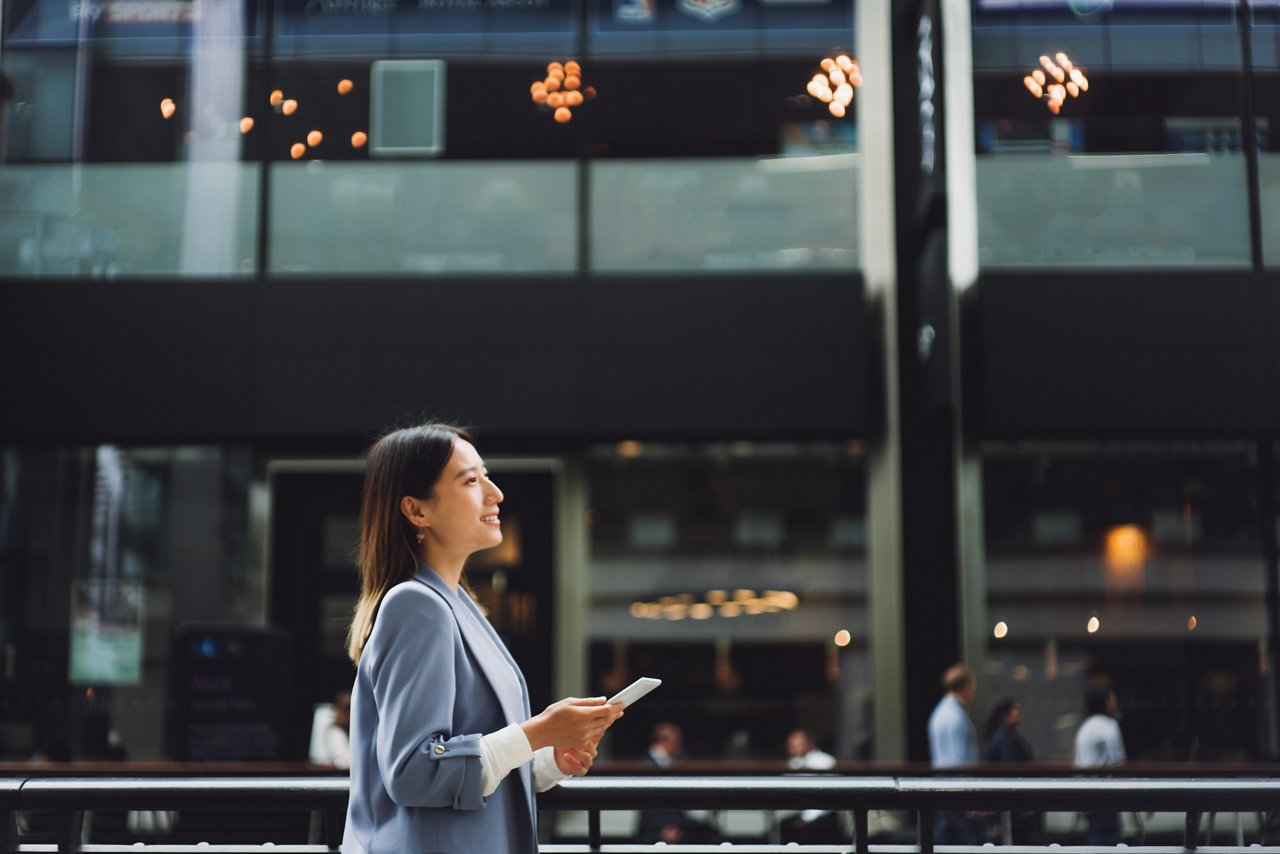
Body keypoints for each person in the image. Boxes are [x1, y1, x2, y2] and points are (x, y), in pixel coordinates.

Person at [342, 423, 625, 854]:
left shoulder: (459, 605)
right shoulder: (418, 606)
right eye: (471, 480)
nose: (495, 494)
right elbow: (414, 772)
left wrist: (548, 760)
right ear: (417, 511)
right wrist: (535, 734)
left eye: (485, 475)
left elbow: (470, 765)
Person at [636, 723, 722, 844]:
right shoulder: (650, 764)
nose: (679, 744)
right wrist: (664, 827)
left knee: (708, 829)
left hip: (671, 821)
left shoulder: (664, 762)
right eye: (677, 740)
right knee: (708, 833)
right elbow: (649, 802)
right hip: (657, 827)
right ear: (665, 740)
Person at [928, 664, 984, 845]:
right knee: (968, 842)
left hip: (943, 788)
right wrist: (972, 798)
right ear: (966, 686)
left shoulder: (938, 713)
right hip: (959, 792)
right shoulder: (957, 717)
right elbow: (959, 760)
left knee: (947, 843)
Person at [1074, 684, 1127, 846]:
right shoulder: (1108, 726)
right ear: (1104, 703)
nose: (1114, 703)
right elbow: (1118, 762)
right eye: (1111, 699)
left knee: (1096, 840)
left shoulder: (1085, 727)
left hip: (1088, 793)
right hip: (1106, 793)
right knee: (1113, 843)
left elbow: (1079, 761)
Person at [983, 697, 1039, 843]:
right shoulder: (1004, 739)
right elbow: (1010, 770)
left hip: (1013, 804)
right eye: (1015, 710)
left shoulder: (1008, 736)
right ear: (1005, 715)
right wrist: (1024, 802)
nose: (1020, 713)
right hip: (1013, 805)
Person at [779, 728, 841, 844]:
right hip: (804, 812)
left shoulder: (824, 762)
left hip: (824, 814)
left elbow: (827, 796)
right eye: (790, 746)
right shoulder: (794, 763)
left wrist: (807, 819)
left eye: (796, 745)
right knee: (783, 826)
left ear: (809, 744)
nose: (792, 750)